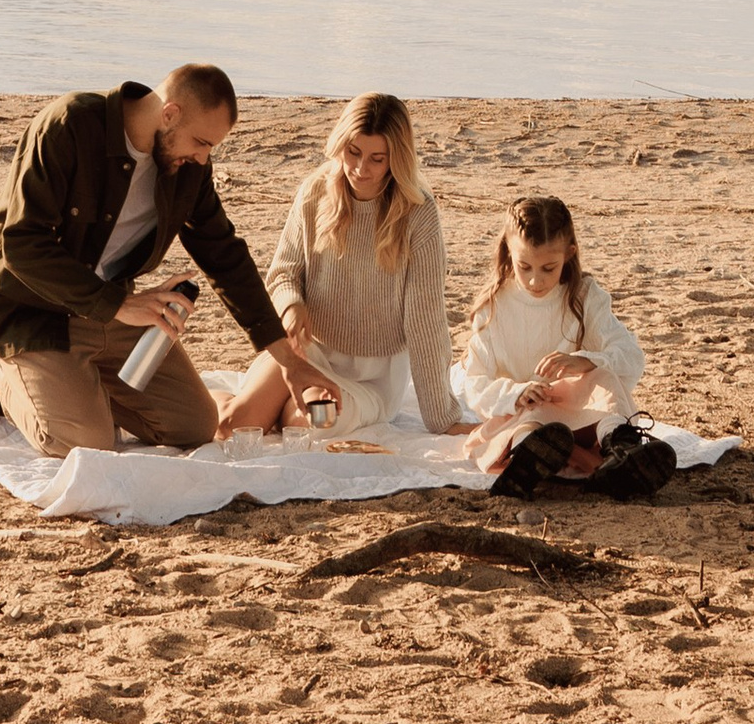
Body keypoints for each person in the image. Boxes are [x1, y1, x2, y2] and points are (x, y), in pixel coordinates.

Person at [0, 64, 339, 454]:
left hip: (113, 313)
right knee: (84, 442)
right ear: (170, 114)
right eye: (201, 142)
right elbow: (21, 244)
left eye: (210, 148)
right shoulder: (71, 124)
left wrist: (288, 360)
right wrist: (120, 304)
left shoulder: (187, 168)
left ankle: (78, 384)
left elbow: (225, 256)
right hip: (32, 311)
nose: (203, 159)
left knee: (195, 427)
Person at [215, 90, 463, 436]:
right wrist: (291, 306)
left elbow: (426, 321)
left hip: (373, 379)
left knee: (309, 424)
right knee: (231, 426)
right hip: (307, 351)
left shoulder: (417, 212)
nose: (361, 169)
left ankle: (279, 406)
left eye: (378, 158)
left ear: (397, 158)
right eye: (353, 152)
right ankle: (214, 399)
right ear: (340, 144)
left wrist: (443, 419)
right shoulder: (316, 190)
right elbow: (283, 272)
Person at [457, 190, 676, 501]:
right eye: (525, 267)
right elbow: (475, 385)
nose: (535, 281)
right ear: (508, 251)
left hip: (583, 420)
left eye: (548, 268)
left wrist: (587, 361)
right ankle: (529, 460)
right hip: (523, 416)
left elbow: (632, 359)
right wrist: (515, 393)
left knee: (603, 377)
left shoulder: (585, 296)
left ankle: (622, 451)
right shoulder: (493, 307)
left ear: (569, 253)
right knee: (537, 426)